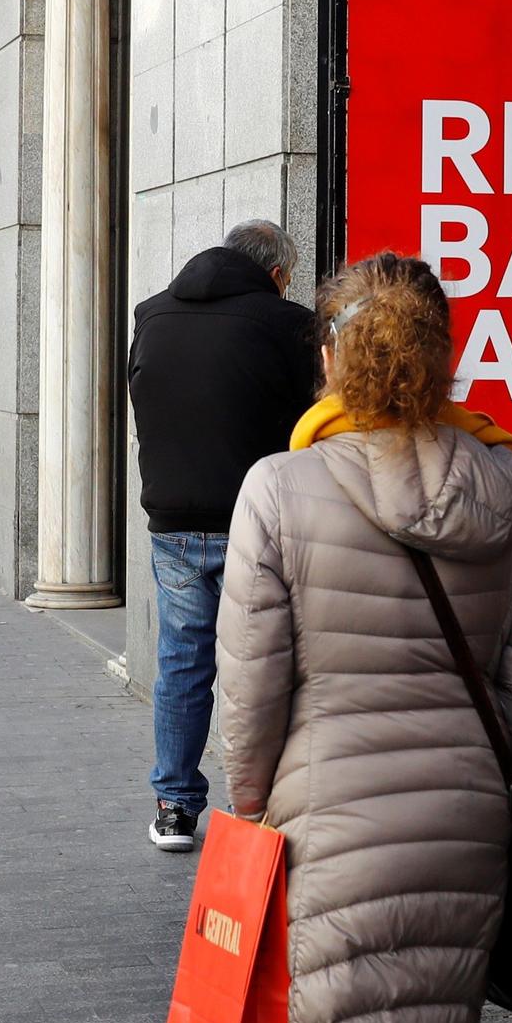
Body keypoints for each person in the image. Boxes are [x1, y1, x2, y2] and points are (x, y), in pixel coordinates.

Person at [215, 253, 512, 1023]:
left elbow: (250, 691)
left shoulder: (278, 488)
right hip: (462, 815)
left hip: (327, 819)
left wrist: (251, 805)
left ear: (333, 362)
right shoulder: (509, 483)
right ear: (440, 356)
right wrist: (479, 765)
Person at [126, 220, 316, 852]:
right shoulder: (288, 324)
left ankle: (175, 807)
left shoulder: (151, 315)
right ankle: (255, 806)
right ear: (278, 273)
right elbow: (309, 423)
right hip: (256, 521)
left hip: (174, 523)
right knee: (259, 664)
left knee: (182, 661)